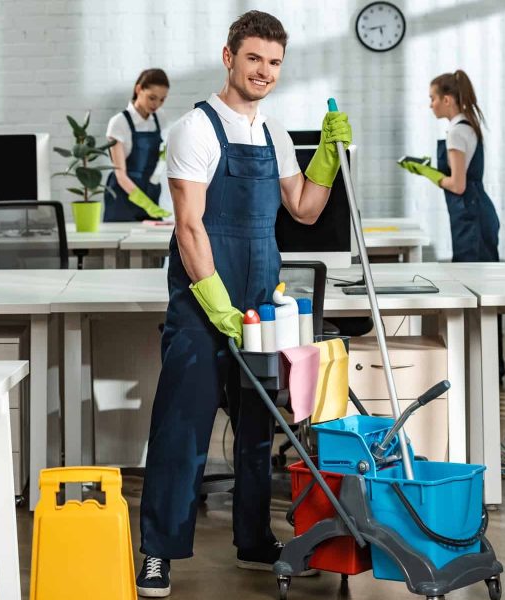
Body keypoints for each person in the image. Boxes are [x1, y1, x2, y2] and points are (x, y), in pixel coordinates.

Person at [136, 10, 351, 598]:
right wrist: (216, 305)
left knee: (260, 429)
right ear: (229, 57)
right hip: (206, 302)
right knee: (184, 427)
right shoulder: (195, 129)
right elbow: (189, 227)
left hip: (261, 300)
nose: (264, 71)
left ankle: (254, 540)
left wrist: (326, 157)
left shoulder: (275, 135)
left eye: (275, 62)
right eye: (254, 58)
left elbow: (304, 208)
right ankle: (157, 553)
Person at [401, 70, 499, 262]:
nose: (430, 105)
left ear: (447, 100)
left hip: (471, 217)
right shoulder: (468, 126)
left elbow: (458, 185)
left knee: (470, 276)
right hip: (477, 211)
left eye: (433, 98)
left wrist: (429, 173)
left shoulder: (456, 133)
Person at [105, 68, 173, 221]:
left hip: (150, 191)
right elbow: (120, 174)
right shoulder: (119, 123)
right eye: (152, 98)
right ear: (138, 89)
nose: (156, 104)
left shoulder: (160, 118)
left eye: (162, 99)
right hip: (122, 196)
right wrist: (147, 205)